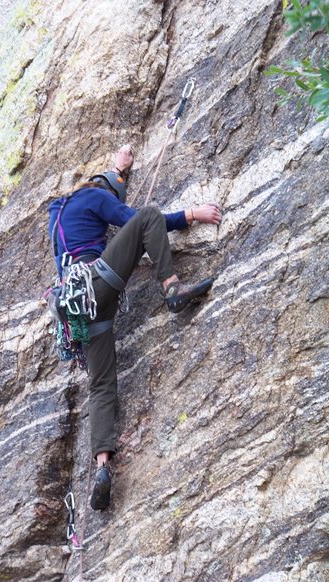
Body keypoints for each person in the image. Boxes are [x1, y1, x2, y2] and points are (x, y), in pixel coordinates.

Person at [48, 144, 222, 510]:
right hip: (98, 284)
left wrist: (119, 170)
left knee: (100, 385)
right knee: (148, 214)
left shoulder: (58, 214)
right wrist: (191, 214)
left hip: (77, 310)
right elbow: (134, 218)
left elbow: (108, 187)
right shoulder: (94, 196)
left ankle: (101, 466)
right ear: (102, 189)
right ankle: (172, 288)